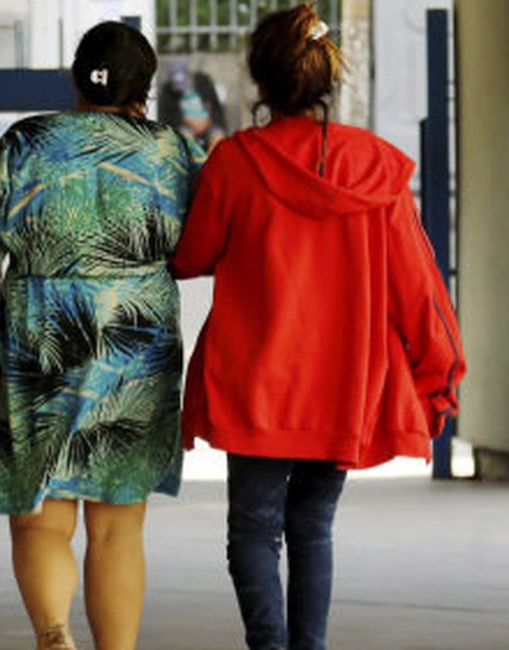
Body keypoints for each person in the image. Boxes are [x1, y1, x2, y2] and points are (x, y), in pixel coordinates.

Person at [171, 5, 466, 650]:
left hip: (256, 386)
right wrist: (439, 376)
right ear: (327, 79)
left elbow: (190, 256)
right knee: (313, 527)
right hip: (342, 386)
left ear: (260, 81)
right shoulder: (374, 169)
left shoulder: (234, 162)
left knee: (252, 528)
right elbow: (421, 287)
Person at [0, 22, 203, 650]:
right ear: (144, 89)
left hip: (43, 332)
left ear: (76, 79)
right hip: (137, 336)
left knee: (40, 523)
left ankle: (53, 632)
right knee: (118, 530)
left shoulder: (24, 141)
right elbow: (202, 242)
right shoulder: (173, 151)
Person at [157, 60, 226, 152]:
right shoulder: (168, 91)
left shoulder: (204, 82)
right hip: (185, 126)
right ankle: (195, 164)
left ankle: (211, 163)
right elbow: (167, 117)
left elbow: (216, 107)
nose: (182, 88)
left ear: (190, 75)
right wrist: (188, 122)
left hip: (208, 123)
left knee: (218, 138)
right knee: (186, 139)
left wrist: (208, 122)